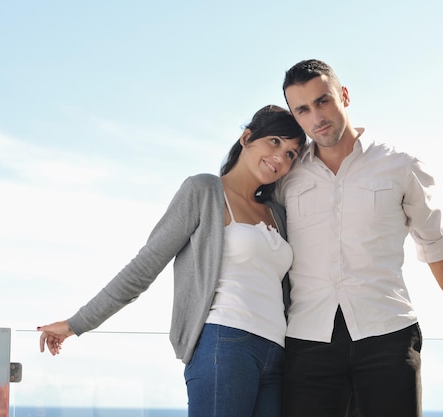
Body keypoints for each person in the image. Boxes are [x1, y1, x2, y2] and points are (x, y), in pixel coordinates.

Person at [37, 104, 307, 417]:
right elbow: (144, 266)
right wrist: (77, 323)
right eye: (275, 142)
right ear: (247, 138)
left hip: (276, 353)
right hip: (225, 343)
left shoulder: (278, 213)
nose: (280, 158)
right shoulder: (203, 191)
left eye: (291, 153)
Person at [275, 59, 443, 417]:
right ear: (295, 116)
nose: (316, 116)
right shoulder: (288, 176)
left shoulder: (400, 166)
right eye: (303, 109)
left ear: (343, 95)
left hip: (389, 337)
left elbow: (435, 245)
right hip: (307, 341)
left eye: (323, 101)